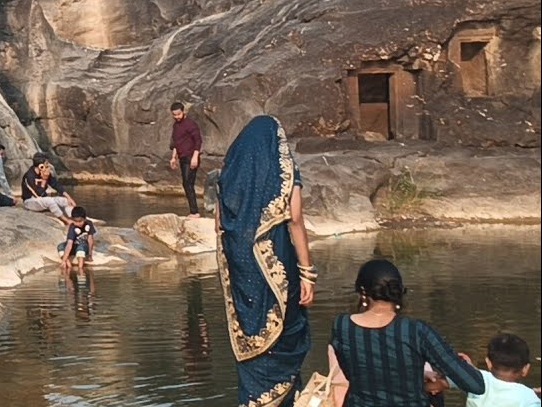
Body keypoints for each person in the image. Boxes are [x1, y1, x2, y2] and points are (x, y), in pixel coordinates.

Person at [216, 115, 314, 406]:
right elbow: (295, 218)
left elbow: (219, 225)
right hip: (278, 266)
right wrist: (307, 273)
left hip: (242, 270)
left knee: (250, 338)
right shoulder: (283, 171)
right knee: (285, 334)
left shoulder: (230, 175)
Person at [328, 259, 485, 407]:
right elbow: (475, 384)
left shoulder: (342, 326)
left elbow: (355, 373)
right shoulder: (416, 330)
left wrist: (410, 373)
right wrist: (442, 382)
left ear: (363, 291)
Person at [467, 333, 540, 407]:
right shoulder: (529, 399)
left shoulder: (475, 380)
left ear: (488, 363)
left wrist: (468, 368)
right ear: (525, 369)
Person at [169, 102, 203, 217]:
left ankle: (195, 212)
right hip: (182, 157)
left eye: (178, 114)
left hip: (191, 156)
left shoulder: (190, 124)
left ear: (183, 112)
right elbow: (176, 143)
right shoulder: (176, 126)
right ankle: (193, 211)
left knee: (188, 183)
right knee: (185, 183)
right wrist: (173, 157)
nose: (177, 117)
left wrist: (195, 157)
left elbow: (198, 141)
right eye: (174, 115)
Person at [21, 152, 74, 221]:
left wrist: (68, 197)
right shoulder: (29, 176)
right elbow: (38, 194)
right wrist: (44, 180)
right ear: (40, 165)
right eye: (46, 163)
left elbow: (55, 184)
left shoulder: (44, 172)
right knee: (49, 201)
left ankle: (74, 218)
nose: (48, 165)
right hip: (30, 201)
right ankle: (66, 221)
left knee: (65, 201)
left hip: (43, 200)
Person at [58, 205, 96, 272]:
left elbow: (90, 239)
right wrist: (64, 260)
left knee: (81, 247)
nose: (78, 223)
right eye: (75, 221)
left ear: (85, 219)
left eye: (80, 221)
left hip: (84, 246)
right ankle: (68, 266)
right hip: (74, 246)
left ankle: (80, 269)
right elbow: (69, 244)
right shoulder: (72, 227)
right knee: (60, 246)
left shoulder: (89, 224)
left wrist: (90, 254)